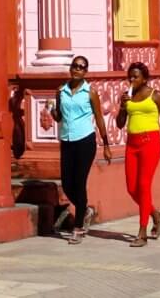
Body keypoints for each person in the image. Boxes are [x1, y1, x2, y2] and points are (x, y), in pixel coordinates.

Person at [48, 55, 112, 244]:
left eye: (81, 67)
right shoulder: (61, 91)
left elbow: (99, 118)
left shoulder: (90, 93)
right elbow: (59, 117)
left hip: (85, 140)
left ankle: (78, 227)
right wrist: (53, 112)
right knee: (67, 183)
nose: (77, 69)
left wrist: (106, 144)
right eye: (74, 66)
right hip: (67, 139)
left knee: (79, 181)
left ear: (86, 71)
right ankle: (85, 210)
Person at [116, 61, 160, 247]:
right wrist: (122, 106)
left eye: (136, 76)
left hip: (150, 143)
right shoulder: (128, 97)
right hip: (132, 144)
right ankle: (155, 215)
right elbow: (119, 124)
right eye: (130, 76)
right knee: (131, 188)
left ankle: (142, 232)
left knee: (143, 185)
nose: (132, 80)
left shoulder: (155, 95)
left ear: (144, 78)